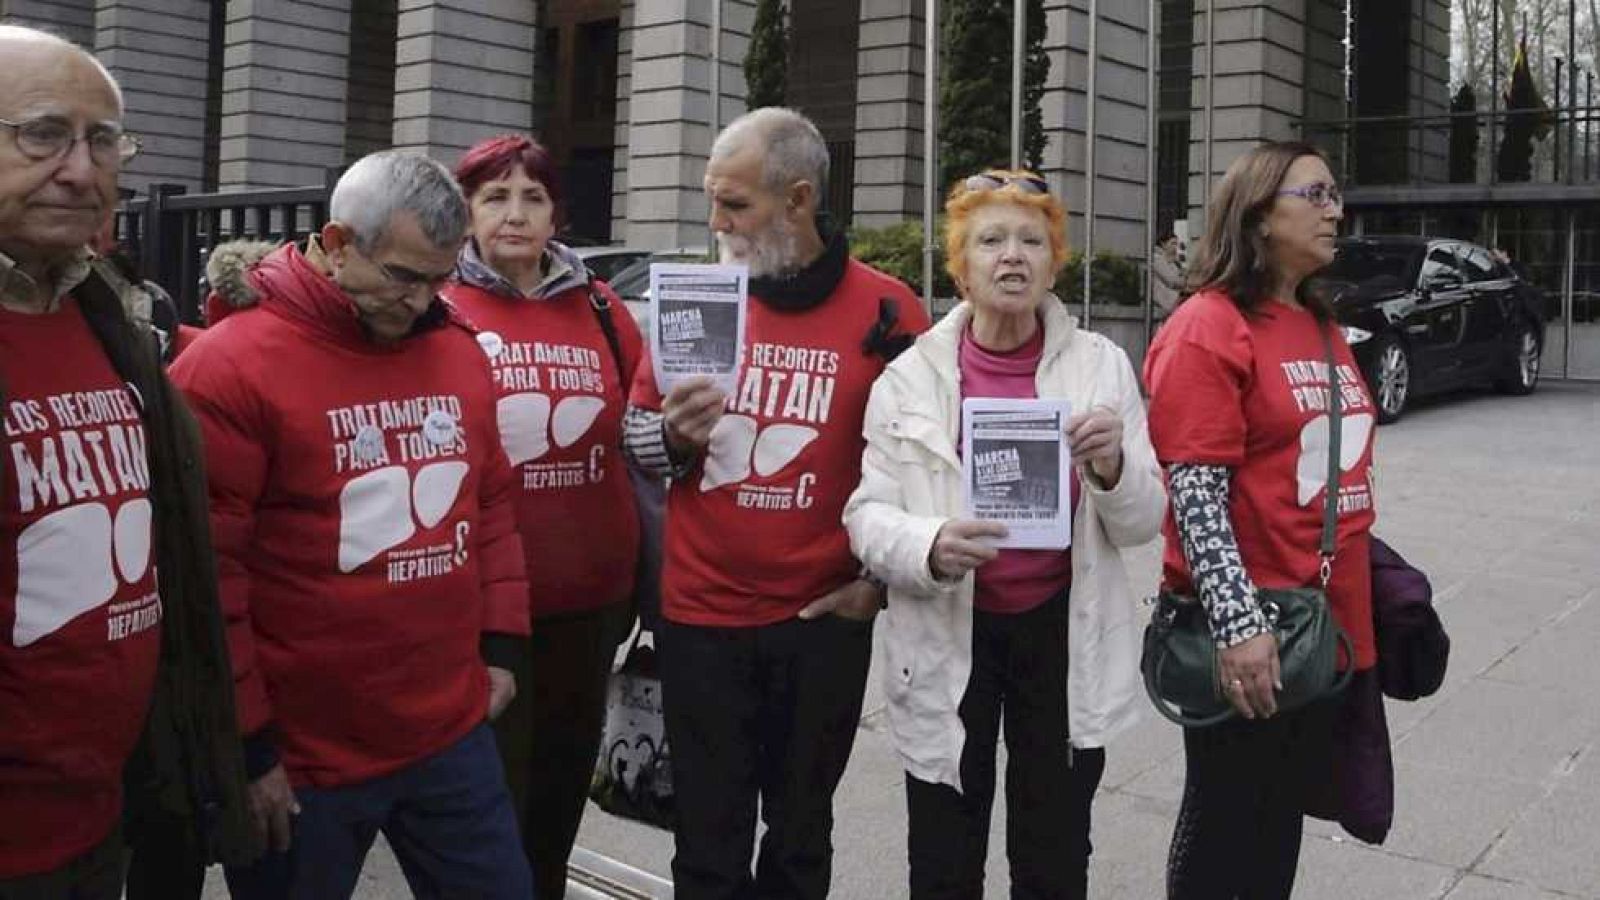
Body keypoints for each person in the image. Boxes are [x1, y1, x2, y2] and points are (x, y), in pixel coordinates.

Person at [169, 150, 534, 900]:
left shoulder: (454, 347)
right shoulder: (230, 368)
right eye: (404, 277)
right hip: (305, 764)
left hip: (450, 736)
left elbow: (491, 500)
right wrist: (248, 750)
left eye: (442, 278)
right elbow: (204, 582)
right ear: (336, 244)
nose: (424, 301)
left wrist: (500, 646)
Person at [621, 106, 930, 899]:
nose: (716, 222)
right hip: (700, 618)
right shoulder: (699, 295)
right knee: (707, 845)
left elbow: (923, 470)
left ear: (798, 200)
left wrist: (875, 586)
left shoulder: (890, 310)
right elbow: (636, 440)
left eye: (735, 203)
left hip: (822, 621)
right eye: (712, 200)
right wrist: (673, 437)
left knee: (800, 838)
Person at [842, 170, 1165, 899]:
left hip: (1061, 632)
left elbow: (1144, 522)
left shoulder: (1101, 367)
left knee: (1054, 855)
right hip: (949, 630)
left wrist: (1113, 466)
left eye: (1031, 241)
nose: (1012, 256)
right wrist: (928, 546)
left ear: (1055, 263)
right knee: (943, 858)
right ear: (961, 266)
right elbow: (867, 515)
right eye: (990, 241)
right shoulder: (908, 378)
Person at [0, 24, 252, 898]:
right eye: (42, 134)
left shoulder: (109, 317)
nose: (81, 169)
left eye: (103, 141)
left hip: (105, 822)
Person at [1143, 141, 1378, 899]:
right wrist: (1240, 629)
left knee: (1276, 825)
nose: (1336, 211)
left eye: (1336, 194)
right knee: (1225, 825)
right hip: (1254, 630)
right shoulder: (1209, 326)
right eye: (1316, 195)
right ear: (1258, 215)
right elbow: (1196, 496)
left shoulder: (1319, 324)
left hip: (1319, 624)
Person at [442, 134, 649, 899]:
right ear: (466, 212)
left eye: (532, 197)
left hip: (592, 603)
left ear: (557, 214)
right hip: (478, 612)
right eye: (495, 197)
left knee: (556, 808)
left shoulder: (601, 309)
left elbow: (641, 432)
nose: (515, 213)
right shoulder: (436, 307)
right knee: (488, 814)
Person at [1151, 230, 1186, 316]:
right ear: (1163, 244)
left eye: (1176, 244)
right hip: (1163, 305)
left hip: (1171, 304)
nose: (1175, 247)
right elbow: (1173, 280)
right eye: (1173, 243)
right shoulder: (1157, 259)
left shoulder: (1171, 261)